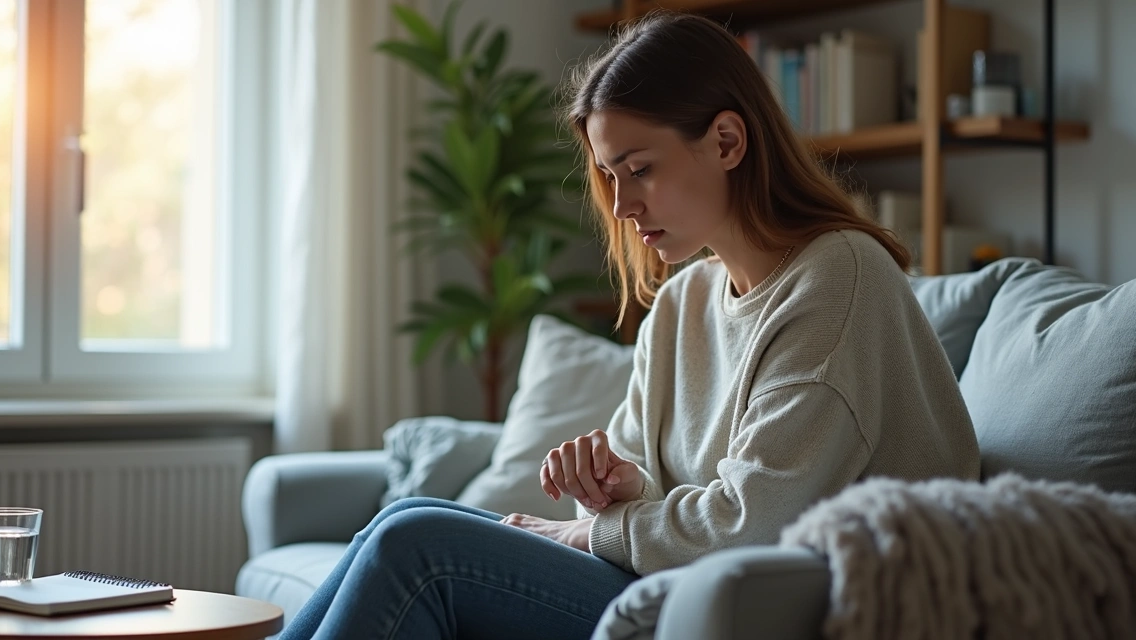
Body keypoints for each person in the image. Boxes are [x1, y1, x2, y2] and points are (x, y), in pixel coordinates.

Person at [279, 11, 980, 640]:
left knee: (419, 546)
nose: (620, 207)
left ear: (727, 140)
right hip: (676, 584)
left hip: (775, 605)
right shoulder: (684, 302)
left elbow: (752, 520)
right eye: (610, 177)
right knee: (402, 519)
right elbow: (639, 487)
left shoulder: (839, 279)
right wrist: (615, 485)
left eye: (639, 169)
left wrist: (593, 531)